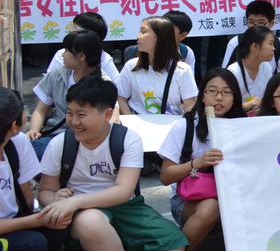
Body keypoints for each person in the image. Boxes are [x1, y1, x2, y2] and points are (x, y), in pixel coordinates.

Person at [38, 77, 188, 251]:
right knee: (89, 220)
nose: (74, 122)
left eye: (82, 115)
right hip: (84, 214)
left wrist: (74, 202)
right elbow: (45, 190)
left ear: (107, 114)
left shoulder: (127, 139)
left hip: (125, 207)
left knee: (174, 242)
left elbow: (122, 191)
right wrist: (56, 198)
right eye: (70, 113)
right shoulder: (60, 144)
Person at [156, 68, 245, 251]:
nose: (219, 98)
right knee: (210, 207)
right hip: (189, 202)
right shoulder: (184, 128)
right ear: (202, 95)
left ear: (235, 97)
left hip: (235, 200)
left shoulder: (244, 126)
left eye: (226, 92)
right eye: (212, 91)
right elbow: (165, 176)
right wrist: (198, 162)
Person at [0, 89, 67, 251]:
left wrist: (54, 202)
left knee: (60, 223)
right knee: (33, 242)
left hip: (13, 224)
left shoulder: (16, 144)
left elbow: (27, 200)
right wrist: (34, 222)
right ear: (14, 125)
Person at [29, 31, 109, 159]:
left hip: (88, 140)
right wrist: (34, 130)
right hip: (54, 135)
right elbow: (40, 110)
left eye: (66, 50)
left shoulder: (103, 84)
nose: (62, 55)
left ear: (81, 56)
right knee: (23, 148)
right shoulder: (56, 75)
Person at [118, 16, 198, 115]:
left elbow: (190, 107)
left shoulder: (183, 70)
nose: (138, 36)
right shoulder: (131, 66)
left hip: (172, 126)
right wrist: (131, 122)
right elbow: (121, 98)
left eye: (143, 32)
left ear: (160, 37)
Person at [46, 12, 120, 82]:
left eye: (76, 29)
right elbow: (48, 83)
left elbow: (117, 88)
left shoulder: (105, 59)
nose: (71, 30)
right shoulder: (62, 54)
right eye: (73, 26)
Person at [221, 0, 280, 73]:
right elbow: (225, 75)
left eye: (260, 23)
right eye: (251, 22)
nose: (255, 27)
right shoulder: (235, 43)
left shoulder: (278, 44)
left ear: (271, 23)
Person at [227, 26, 276, 112]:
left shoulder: (266, 67)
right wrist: (246, 105)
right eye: (270, 44)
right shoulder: (233, 71)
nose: (273, 48)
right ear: (254, 47)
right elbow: (226, 107)